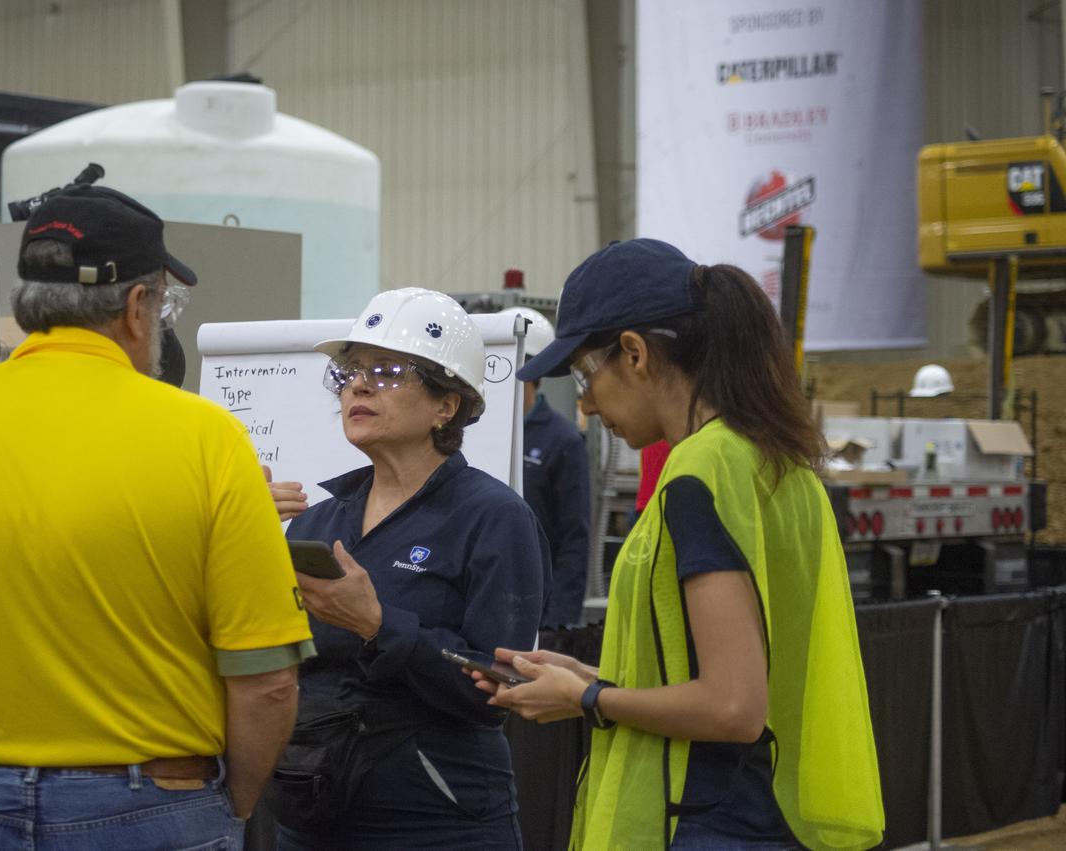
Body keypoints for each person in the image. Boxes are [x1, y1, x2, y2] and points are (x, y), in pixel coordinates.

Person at [0, 183, 313, 850]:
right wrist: (232, 807)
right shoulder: (206, 439)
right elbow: (268, 683)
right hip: (151, 810)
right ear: (139, 306)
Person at [473, 239, 884, 850]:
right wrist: (585, 677)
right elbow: (731, 666)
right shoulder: (773, 462)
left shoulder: (698, 475)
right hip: (772, 809)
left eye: (586, 375)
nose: (584, 405)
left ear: (634, 353)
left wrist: (590, 698)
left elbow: (734, 706)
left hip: (712, 818)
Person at [266, 287, 551, 850]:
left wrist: (378, 624)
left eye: (389, 370)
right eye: (349, 372)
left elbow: (500, 686)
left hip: (437, 822)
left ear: (448, 405)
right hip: (313, 812)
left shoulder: (494, 518)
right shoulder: (316, 523)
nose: (359, 385)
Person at [500, 307, 591, 628]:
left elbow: (574, 540)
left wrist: (558, 624)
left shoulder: (562, 440)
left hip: (539, 613)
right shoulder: (478, 434)